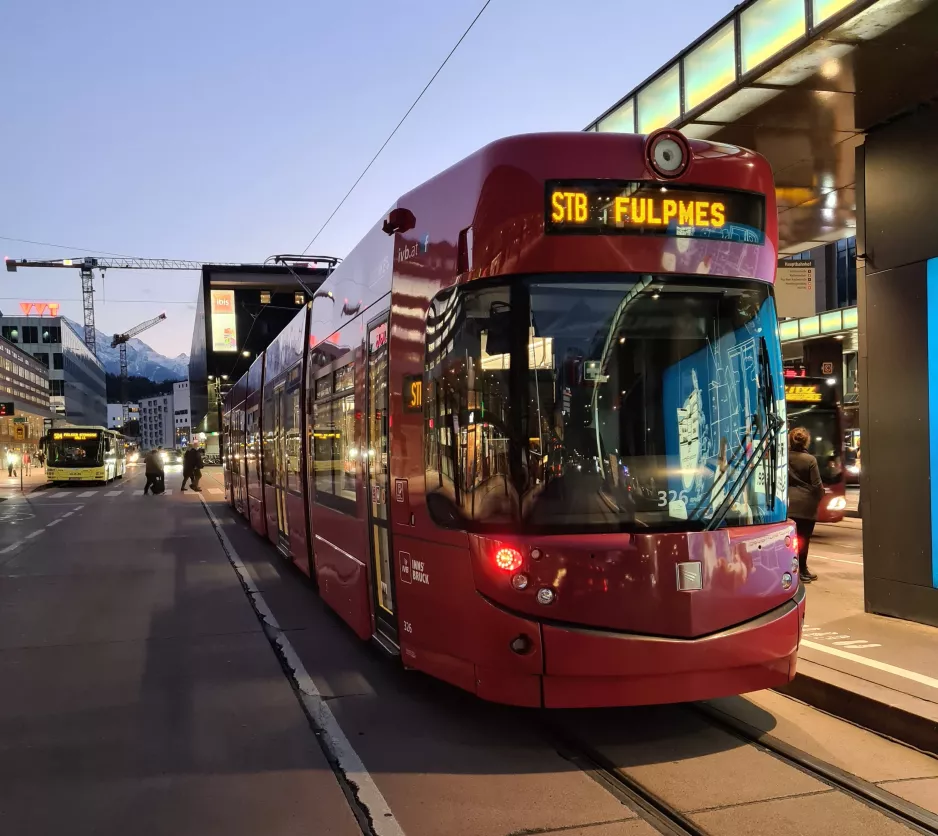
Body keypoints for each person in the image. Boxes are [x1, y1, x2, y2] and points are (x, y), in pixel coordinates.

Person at [788, 426, 824, 583]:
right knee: (804, 539)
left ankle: (792, 569)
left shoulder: (784, 457)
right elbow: (817, 485)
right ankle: (803, 570)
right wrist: (819, 497)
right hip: (806, 505)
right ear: (806, 442)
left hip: (788, 505)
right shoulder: (810, 460)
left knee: (790, 540)